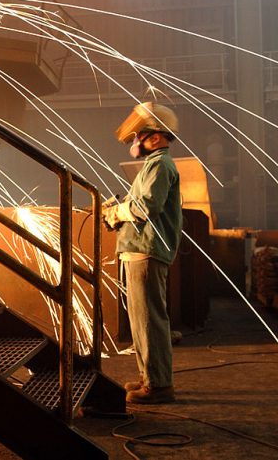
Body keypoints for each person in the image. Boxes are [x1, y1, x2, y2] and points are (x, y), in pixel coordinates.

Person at [103, 101, 182, 405]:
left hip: (146, 251)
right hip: (138, 250)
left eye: (140, 137)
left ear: (157, 137)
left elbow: (144, 207)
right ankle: (149, 377)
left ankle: (159, 386)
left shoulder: (161, 165)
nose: (135, 143)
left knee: (149, 320)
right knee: (140, 320)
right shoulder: (152, 165)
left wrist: (116, 213)